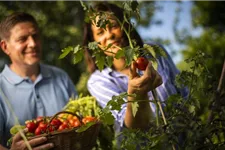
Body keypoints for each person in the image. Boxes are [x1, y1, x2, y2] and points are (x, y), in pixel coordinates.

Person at [83, 1, 189, 145]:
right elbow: (132, 126)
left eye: (113, 26)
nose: (110, 35)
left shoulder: (154, 52)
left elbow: (184, 95)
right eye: (100, 32)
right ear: (94, 43)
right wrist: (137, 93)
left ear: (125, 25)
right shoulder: (99, 81)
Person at [0, 12, 77, 149]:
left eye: (35, 36)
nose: (33, 44)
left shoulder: (61, 77)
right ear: (5, 47)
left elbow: (78, 123)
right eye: (23, 39)